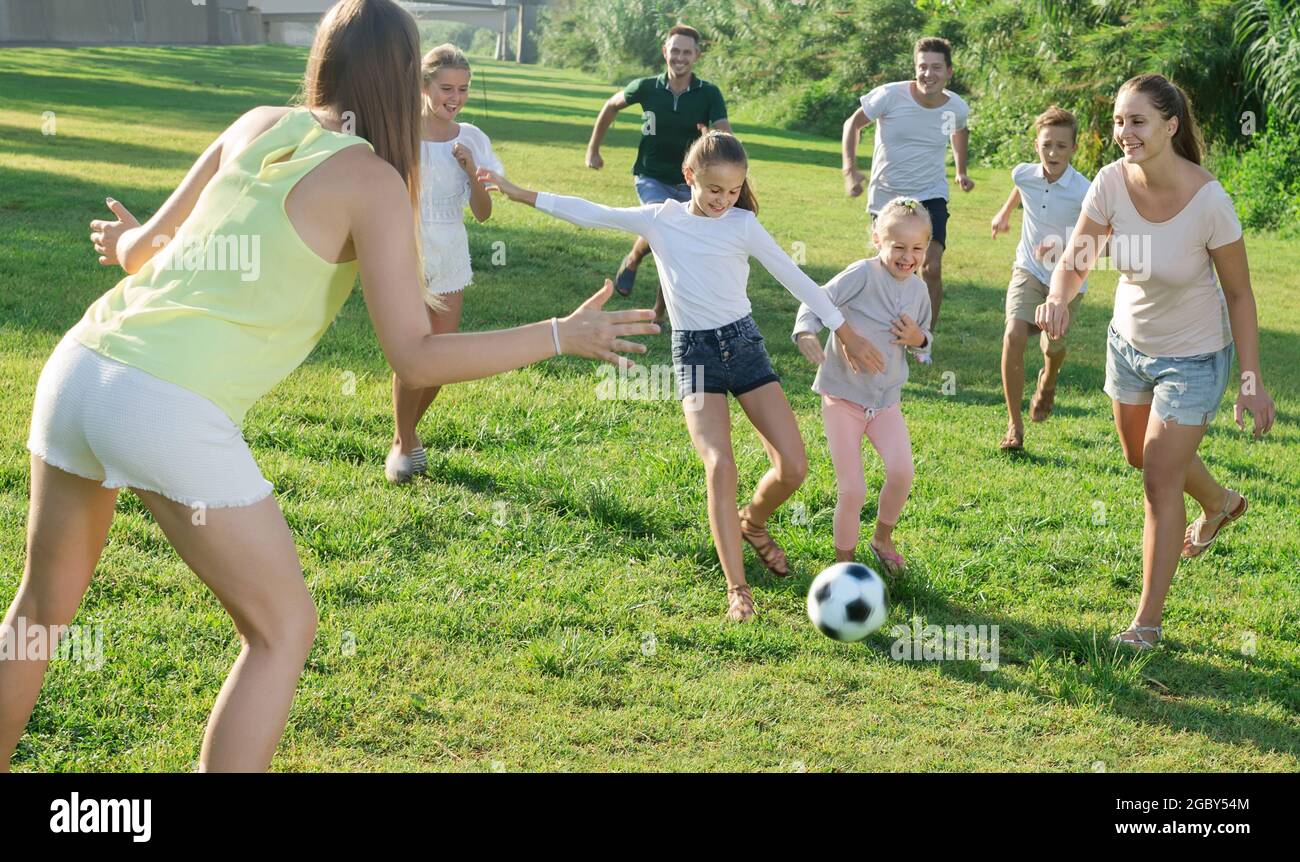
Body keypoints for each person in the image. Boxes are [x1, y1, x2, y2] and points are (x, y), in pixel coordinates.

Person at [0, 0, 656, 773]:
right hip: (163, 405)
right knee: (283, 630)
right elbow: (415, 356)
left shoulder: (254, 122)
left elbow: (145, 250)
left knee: (40, 612)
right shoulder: (374, 182)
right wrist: (558, 334)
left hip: (80, 366)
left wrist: (123, 240)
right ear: (398, 78)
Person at [480, 131, 884, 622]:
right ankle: (738, 589)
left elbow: (794, 277)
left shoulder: (743, 224)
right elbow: (591, 211)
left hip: (745, 347)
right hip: (693, 354)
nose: (723, 200)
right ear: (689, 177)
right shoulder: (662, 219)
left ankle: (753, 523)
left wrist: (844, 330)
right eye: (714, 189)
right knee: (720, 464)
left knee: (794, 467)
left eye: (733, 191)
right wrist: (519, 191)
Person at [1037, 74, 1276, 650]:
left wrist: (1251, 382)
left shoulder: (1210, 200)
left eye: (1136, 121)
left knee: (1159, 477)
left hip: (1193, 358)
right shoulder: (1111, 183)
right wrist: (1056, 296)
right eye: (1119, 121)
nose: (1123, 133)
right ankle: (1221, 502)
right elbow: (1078, 257)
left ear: (1171, 125)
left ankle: (1145, 624)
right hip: (1127, 346)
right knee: (1137, 455)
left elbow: (1240, 296)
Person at [386, 43, 505, 483]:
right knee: (412, 351)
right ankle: (402, 441)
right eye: (446, 88)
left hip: (450, 247)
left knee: (440, 354)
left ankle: (408, 431)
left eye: (463, 90)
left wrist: (472, 169)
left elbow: (483, 212)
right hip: (403, 246)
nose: (454, 98)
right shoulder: (397, 131)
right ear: (424, 85)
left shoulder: (472, 137)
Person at [793, 198, 932, 573]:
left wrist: (920, 340)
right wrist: (805, 331)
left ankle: (882, 539)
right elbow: (817, 299)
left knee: (902, 472)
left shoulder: (920, 292)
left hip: (886, 403)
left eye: (917, 248)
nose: (907, 257)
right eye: (898, 247)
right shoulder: (862, 275)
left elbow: (925, 346)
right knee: (853, 489)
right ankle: (845, 566)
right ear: (877, 239)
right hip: (843, 399)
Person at [584, 23, 731, 325]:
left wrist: (714, 139)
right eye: (674, 50)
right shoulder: (646, 87)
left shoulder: (708, 94)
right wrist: (593, 149)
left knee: (677, 246)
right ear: (665, 52)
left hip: (690, 182)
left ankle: (658, 311)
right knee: (664, 224)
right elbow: (610, 106)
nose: (680, 57)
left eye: (686, 52)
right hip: (650, 176)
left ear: (696, 56)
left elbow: (724, 133)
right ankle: (635, 259)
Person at [842, 35, 972, 343]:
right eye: (922, 67)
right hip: (887, 196)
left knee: (932, 265)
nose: (929, 74)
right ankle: (880, 327)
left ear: (949, 72)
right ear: (915, 68)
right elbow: (853, 124)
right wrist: (850, 171)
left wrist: (961, 170)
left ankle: (923, 337)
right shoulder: (889, 96)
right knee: (889, 268)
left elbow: (959, 132)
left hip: (930, 194)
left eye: (936, 67)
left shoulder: (956, 107)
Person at [990, 106, 1092, 450]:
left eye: (1061, 146)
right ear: (1037, 144)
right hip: (1028, 269)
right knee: (1014, 334)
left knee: (1052, 345)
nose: (1053, 153)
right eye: (1047, 145)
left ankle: (1048, 378)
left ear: (1073, 148)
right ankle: (1014, 427)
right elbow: (1022, 188)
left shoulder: (1085, 191)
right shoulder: (1024, 173)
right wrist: (1004, 214)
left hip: (1071, 276)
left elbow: (1103, 239)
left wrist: (1061, 244)